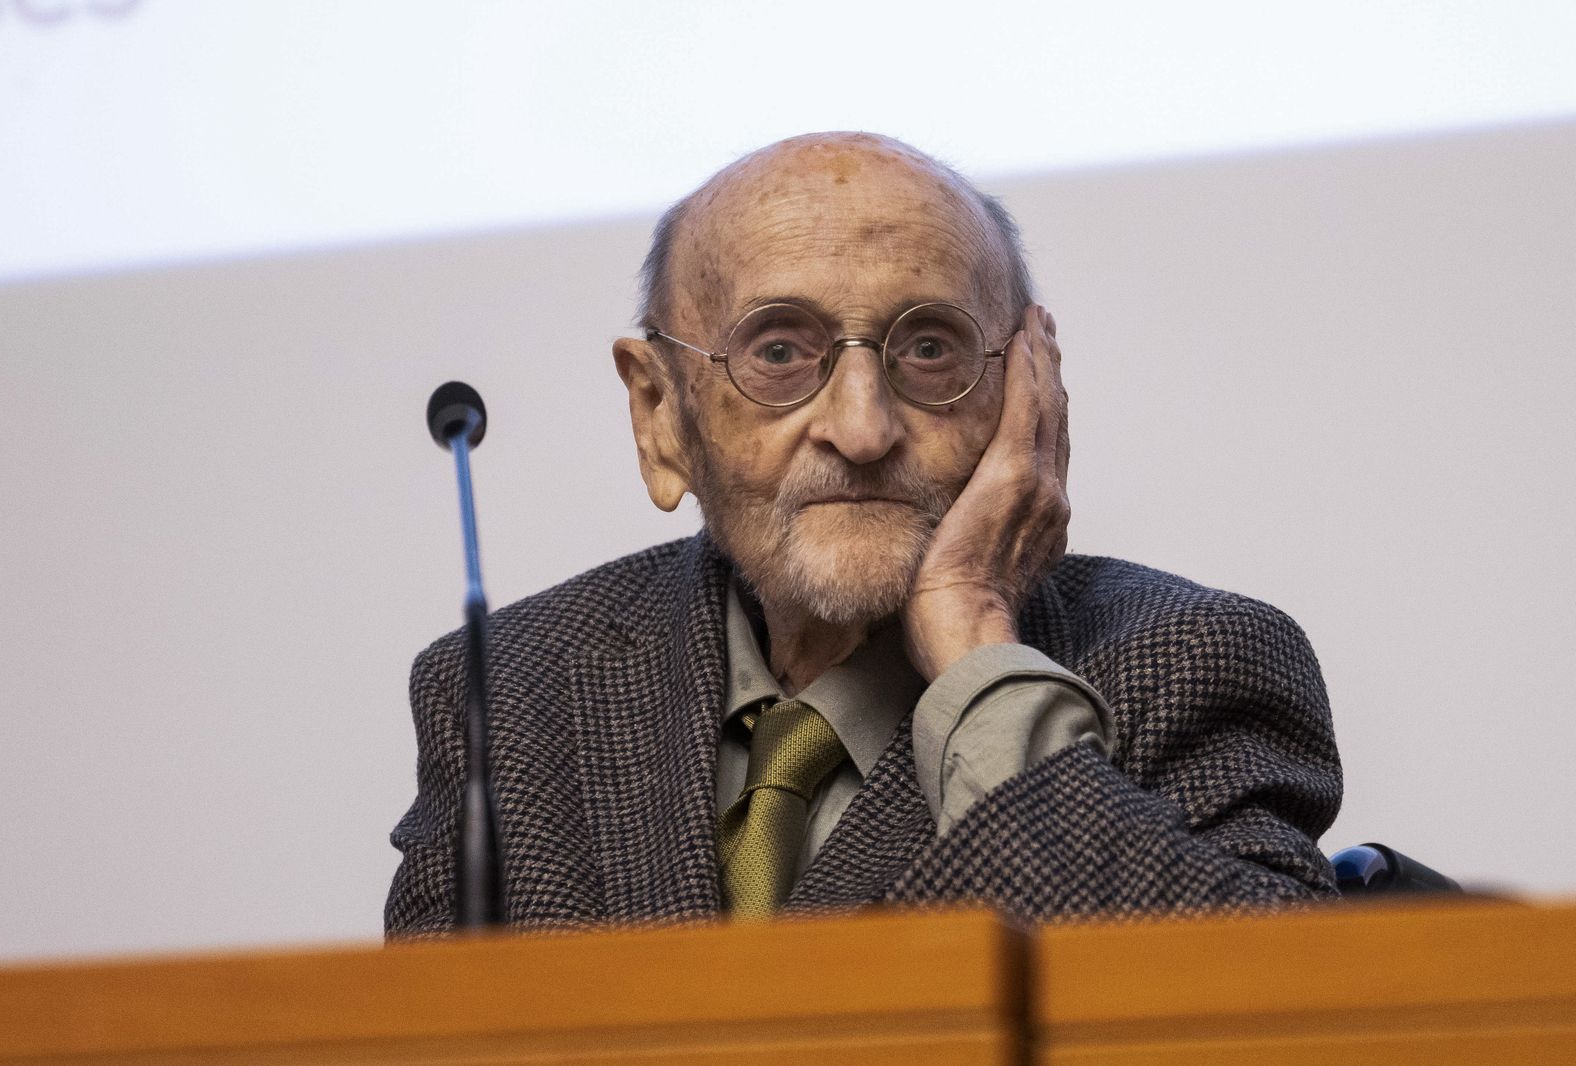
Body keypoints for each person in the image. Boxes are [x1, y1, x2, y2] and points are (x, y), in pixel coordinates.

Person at [384, 132, 1342, 935]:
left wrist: (976, 646)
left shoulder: (1189, 660)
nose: (861, 427)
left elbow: (1283, 1016)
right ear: (660, 414)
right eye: (779, 351)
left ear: (1028, 390)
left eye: (928, 348)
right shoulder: (514, 693)